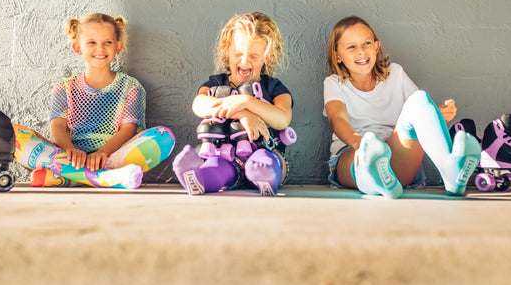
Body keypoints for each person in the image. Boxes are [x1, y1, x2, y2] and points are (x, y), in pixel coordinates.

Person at [323, 15, 480, 198]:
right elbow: (338, 119)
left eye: (366, 43)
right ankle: (376, 178)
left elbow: (417, 114)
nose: (361, 51)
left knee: (420, 98)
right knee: (361, 158)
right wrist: (360, 144)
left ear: (376, 47)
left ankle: (450, 170)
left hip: (396, 155)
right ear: (338, 56)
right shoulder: (334, 83)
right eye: (351, 47)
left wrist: (437, 115)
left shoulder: (395, 73)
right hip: (353, 152)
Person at [13, 13, 175, 189]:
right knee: (12, 135)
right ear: (78, 47)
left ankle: (68, 178)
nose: (100, 48)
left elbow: (128, 130)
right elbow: (57, 128)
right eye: (92, 42)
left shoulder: (131, 87)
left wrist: (103, 152)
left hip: (112, 157)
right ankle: (106, 178)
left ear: (118, 46)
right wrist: (71, 151)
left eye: (108, 42)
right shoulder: (64, 87)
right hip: (70, 157)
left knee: (163, 136)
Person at [172, 12, 293, 196]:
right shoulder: (216, 84)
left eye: (254, 56)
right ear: (227, 52)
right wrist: (242, 113)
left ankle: (264, 177)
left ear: (267, 57)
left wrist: (246, 100)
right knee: (216, 167)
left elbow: (283, 119)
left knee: (266, 161)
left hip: (265, 152)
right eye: (238, 53)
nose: (244, 61)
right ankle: (199, 179)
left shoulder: (273, 87)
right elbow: (199, 104)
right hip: (225, 157)